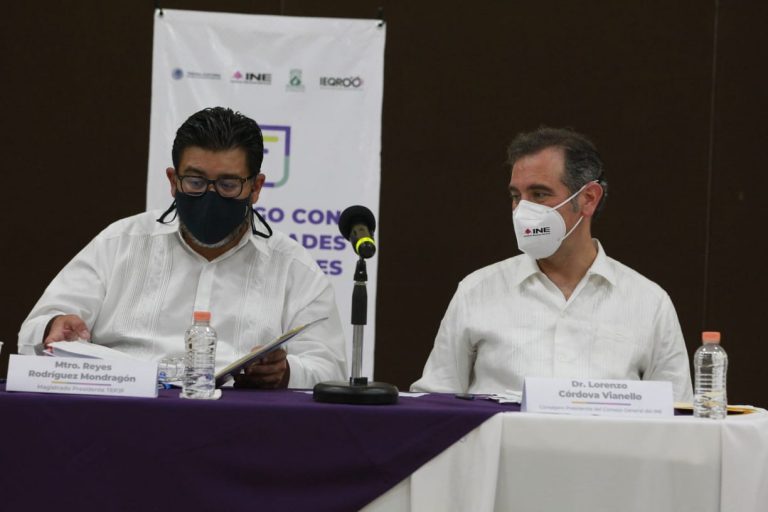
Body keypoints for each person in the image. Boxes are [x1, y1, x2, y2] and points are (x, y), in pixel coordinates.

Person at [18, 107, 347, 389]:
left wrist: (287, 372)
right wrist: (54, 327)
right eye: (195, 182)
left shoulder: (293, 269)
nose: (211, 195)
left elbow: (331, 369)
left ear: (256, 187)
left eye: (229, 185)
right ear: (173, 181)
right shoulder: (118, 245)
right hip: (124, 423)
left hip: (242, 431)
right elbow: (32, 333)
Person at [411, 127, 693, 402]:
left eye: (539, 194)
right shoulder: (476, 291)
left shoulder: (649, 303)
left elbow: (679, 419)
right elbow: (435, 407)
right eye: (515, 196)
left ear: (588, 199)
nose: (522, 210)